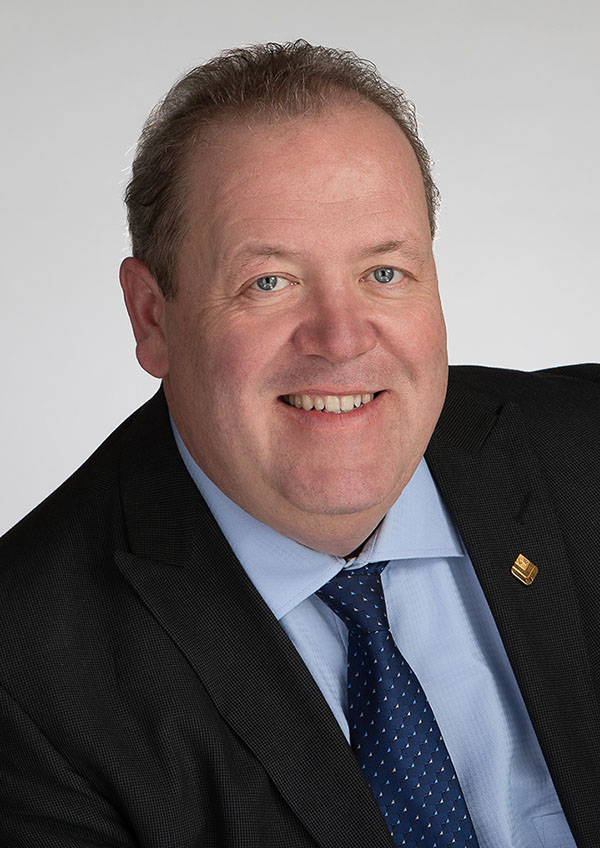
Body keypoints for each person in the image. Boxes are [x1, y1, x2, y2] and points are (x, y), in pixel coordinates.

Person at [1, 41, 598, 848]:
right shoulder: (31, 676)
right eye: (269, 282)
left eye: (384, 272)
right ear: (152, 317)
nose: (342, 339)